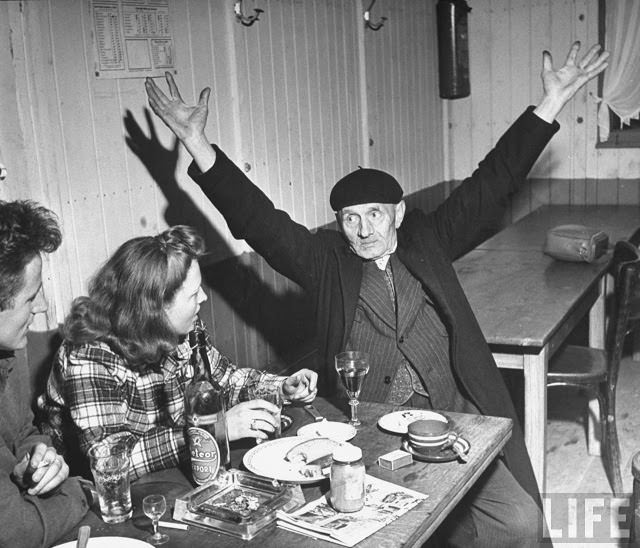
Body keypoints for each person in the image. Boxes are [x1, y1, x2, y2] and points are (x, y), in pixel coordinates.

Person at [145, 42, 608, 546]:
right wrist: (197, 142)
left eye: (375, 214)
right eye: (350, 218)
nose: (364, 229)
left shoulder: (432, 238)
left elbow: (494, 179)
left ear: (399, 215)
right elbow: (258, 220)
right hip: (364, 427)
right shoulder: (326, 263)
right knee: (385, 532)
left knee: (518, 522)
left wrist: (552, 103)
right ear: (340, 226)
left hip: (451, 417)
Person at [38, 224, 317, 482]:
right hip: (97, 492)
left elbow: (225, 380)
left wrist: (280, 387)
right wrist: (214, 430)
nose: (204, 299)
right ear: (155, 308)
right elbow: (109, 460)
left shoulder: (183, 328)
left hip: (169, 471)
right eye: (193, 295)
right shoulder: (88, 355)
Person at [0, 200, 92, 548]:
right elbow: (16, 533)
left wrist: (38, 459)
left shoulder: (6, 354)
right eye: (31, 297)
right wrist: (77, 491)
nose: (41, 307)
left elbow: (22, 430)